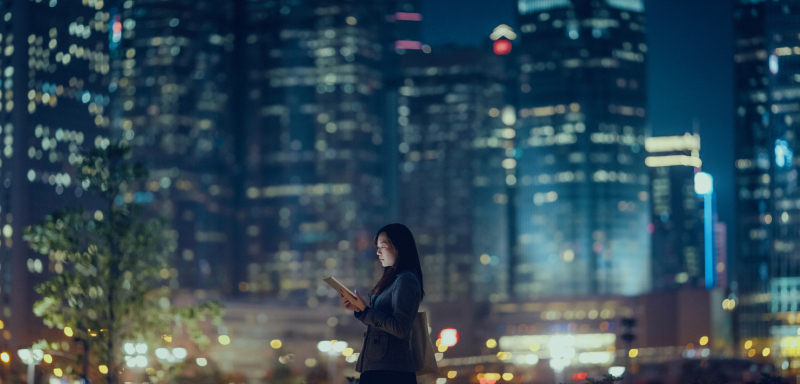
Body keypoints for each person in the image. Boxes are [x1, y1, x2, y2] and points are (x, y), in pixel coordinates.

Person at [339, 223, 425, 384]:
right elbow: (380, 322)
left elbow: (400, 328)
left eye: (383, 246)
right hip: (378, 366)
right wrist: (360, 310)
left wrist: (366, 309)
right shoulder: (393, 279)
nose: (378, 252)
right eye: (377, 247)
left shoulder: (406, 280)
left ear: (400, 247)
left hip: (391, 371)